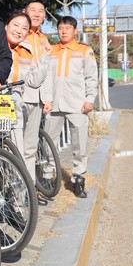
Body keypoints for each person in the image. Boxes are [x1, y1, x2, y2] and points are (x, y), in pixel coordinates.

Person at [46, 16, 98, 198]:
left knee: (80, 144)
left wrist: (90, 99)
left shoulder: (84, 51)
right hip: (53, 104)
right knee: (49, 143)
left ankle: (78, 179)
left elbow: (91, 77)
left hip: (77, 104)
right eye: (61, 28)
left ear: (75, 31)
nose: (64, 31)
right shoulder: (51, 50)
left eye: (68, 28)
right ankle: (49, 176)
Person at [4, 11, 51, 179]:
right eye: (15, 25)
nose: (19, 30)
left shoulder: (26, 50)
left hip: (15, 105)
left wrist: (45, 58)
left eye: (24, 28)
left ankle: (20, 198)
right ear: (6, 26)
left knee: (17, 152)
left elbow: (33, 81)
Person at [20, 0, 54, 182]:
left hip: (37, 98)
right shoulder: (18, 32)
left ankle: (29, 188)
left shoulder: (43, 39)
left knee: (31, 145)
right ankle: (16, 190)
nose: (37, 14)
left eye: (41, 11)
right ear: (25, 11)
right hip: (20, 95)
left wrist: (47, 98)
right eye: (33, 10)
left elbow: (47, 71)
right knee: (17, 145)